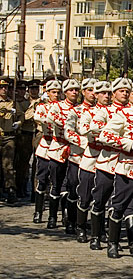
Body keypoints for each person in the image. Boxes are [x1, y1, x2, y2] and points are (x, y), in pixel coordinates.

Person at [97, 77, 133, 258]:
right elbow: (105, 135)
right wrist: (128, 143)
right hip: (127, 167)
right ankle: (112, 242)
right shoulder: (124, 114)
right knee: (119, 206)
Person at [88, 77, 132, 251]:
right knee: (100, 199)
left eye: (127, 91)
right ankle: (96, 235)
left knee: (123, 202)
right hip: (108, 160)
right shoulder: (104, 112)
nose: (125, 94)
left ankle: (118, 237)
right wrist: (119, 137)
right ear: (114, 94)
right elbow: (96, 129)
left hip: (127, 162)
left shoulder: (132, 112)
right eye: (121, 91)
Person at [75, 80, 112, 243]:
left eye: (109, 93)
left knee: (103, 197)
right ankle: (81, 227)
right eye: (103, 93)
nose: (106, 96)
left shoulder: (116, 112)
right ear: (96, 95)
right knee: (85, 196)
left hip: (109, 158)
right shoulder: (88, 113)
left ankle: (100, 230)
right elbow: (82, 130)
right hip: (91, 157)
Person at [46, 79, 81, 229]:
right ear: (65, 92)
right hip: (59, 147)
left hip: (75, 149)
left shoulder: (82, 109)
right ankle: (52, 216)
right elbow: (52, 119)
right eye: (71, 90)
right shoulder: (56, 106)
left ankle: (70, 219)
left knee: (73, 185)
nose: (74, 92)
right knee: (56, 184)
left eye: (76, 90)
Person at [63, 78, 97, 235]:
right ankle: (71, 220)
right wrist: (86, 142)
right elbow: (68, 132)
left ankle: (87, 221)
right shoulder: (75, 111)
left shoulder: (101, 112)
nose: (93, 93)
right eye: (89, 90)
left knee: (91, 192)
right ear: (83, 92)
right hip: (78, 156)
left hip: (95, 158)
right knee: (74, 189)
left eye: (95, 90)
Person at [33, 79, 61, 222]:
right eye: (53, 92)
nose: (56, 95)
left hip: (58, 146)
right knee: (42, 179)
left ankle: (53, 215)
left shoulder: (63, 107)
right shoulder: (42, 106)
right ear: (47, 93)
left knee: (57, 183)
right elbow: (38, 117)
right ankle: (38, 211)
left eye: (58, 92)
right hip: (46, 144)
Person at [0, 77, 22, 204]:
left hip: (8, 137)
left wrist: (18, 122)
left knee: (8, 165)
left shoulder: (12, 102)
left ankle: (10, 189)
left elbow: (21, 115)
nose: (4, 89)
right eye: (2, 87)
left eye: (6, 87)